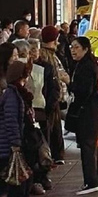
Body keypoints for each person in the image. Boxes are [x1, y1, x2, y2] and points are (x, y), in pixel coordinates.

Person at [69, 37, 98, 195]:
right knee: (89, 146)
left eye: (76, 47)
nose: (73, 50)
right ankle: (93, 181)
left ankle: (92, 182)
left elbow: (84, 91)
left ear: (86, 49)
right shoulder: (84, 64)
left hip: (88, 111)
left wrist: (70, 85)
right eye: (71, 47)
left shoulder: (87, 66)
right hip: (89, 109)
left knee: (87, 146)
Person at [0, 61, 33, 197]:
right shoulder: (13, 95)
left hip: (6, 144)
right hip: (7, 145)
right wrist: (16, 144)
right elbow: (11, 120)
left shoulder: (14, 93)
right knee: (15, 184)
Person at [39, 26, 66, 163]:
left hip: (48, 95)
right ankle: (55, 155)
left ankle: (56, 154)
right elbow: (56, 76)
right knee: (52, 126)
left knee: (53, 126)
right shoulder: (48, 56)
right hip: (50, 96)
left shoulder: (47, 53)